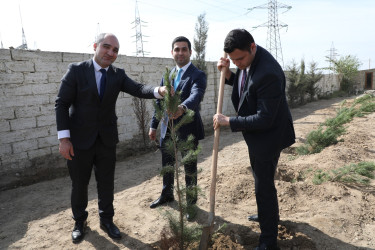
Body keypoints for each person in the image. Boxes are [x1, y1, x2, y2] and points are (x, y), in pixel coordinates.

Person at [55, 33, 168, 243]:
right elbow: (61, 103)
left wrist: (158, 91)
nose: (110, 52)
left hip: (106, 140)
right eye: (106, 47)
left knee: (106, 183)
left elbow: (137, 88)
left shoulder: (118, 75)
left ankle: (107, 220)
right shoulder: (77, 71)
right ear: (95, 46)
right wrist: (64, 139)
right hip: (79, 142)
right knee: (79, 183)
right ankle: (79, 221)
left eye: (115, 50)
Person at [213, 29, 295, 250]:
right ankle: (265, 214)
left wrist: (229, 121)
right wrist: (228, 74)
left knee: (264, 187)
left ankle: (268, 240)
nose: (237, 63)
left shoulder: (268, 72)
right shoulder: (249, 62)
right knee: (261, 182)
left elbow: (265, 118)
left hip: (269, 135)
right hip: (258, 135)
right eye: (233, 59)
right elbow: (246, 85)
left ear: (253, 47)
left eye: (240, 59)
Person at [149, 36, 207, 220]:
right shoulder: (169, 75)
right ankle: (167, 194)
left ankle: (191, 205)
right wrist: (153, 126)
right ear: (172, 52)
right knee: (167, 165)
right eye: (177, 49)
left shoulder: (197, 75)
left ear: (190, 52)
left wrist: (182, 108)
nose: (180, 52)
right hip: (167, 129)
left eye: (184, 49)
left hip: (187, 130)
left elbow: (196, 96)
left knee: (189, 168)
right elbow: (159, 102)